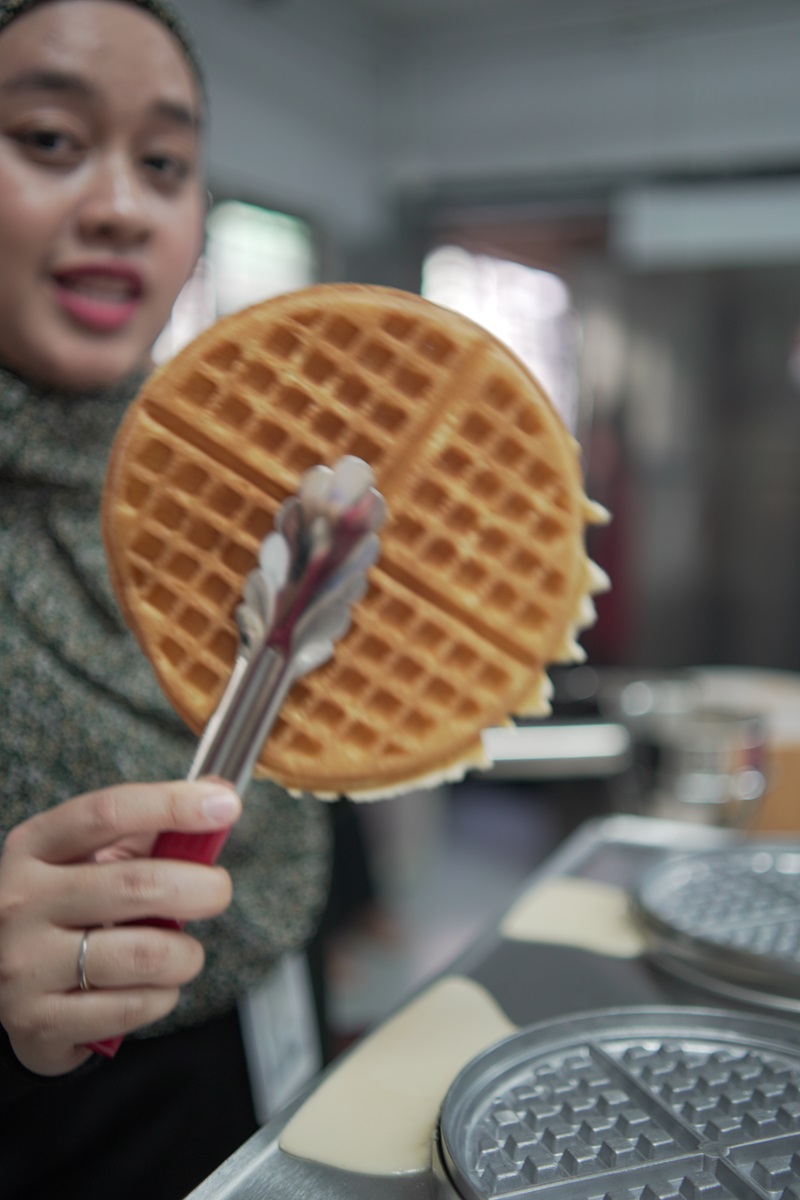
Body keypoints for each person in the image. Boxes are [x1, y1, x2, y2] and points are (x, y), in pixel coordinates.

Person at [0, 1, 331, 1196]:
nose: (122, 206)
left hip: (286, 1084)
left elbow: (302, 735)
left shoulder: (244, 483)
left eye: (164, 163)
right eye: (46, 138)